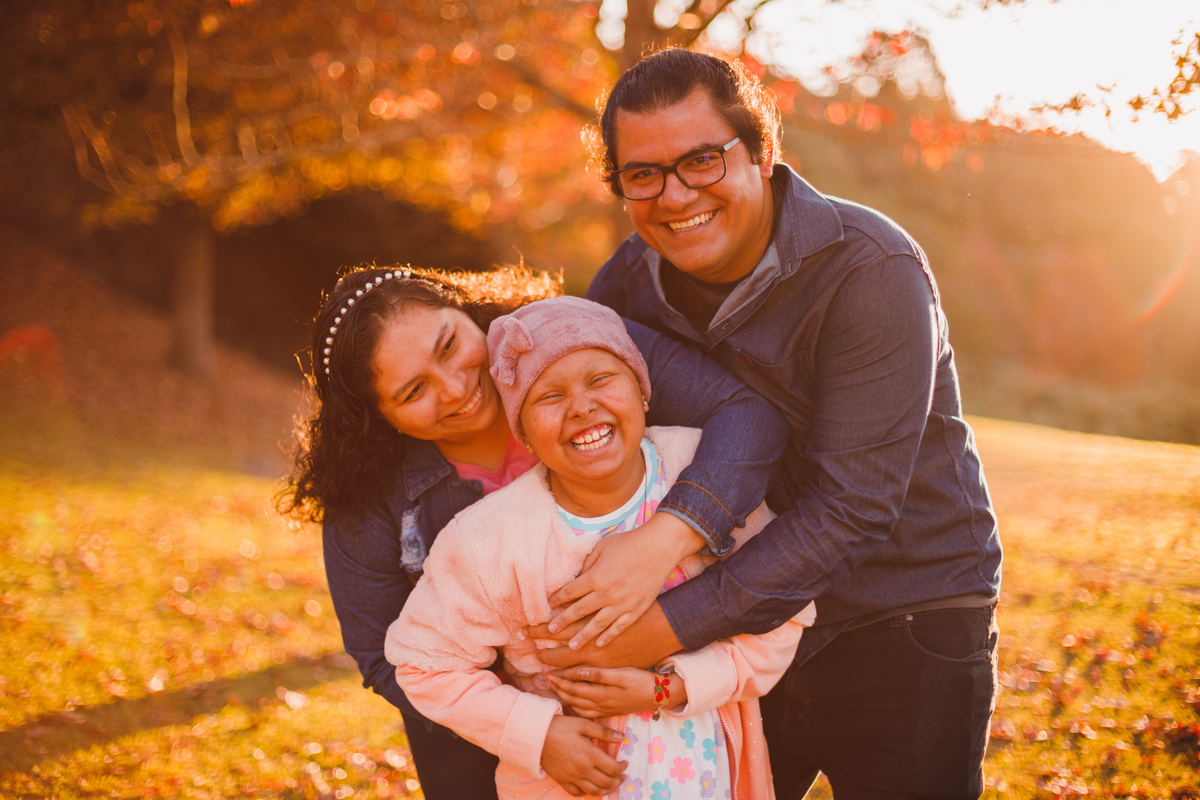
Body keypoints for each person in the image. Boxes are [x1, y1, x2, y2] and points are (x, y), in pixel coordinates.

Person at [531, 49, 1003, 799]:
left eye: (703, 160)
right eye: (642, 174)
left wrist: (647, 633)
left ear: (763, 151)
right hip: (733, 631)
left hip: (903, 613)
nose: (675, 193)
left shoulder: (869, 268)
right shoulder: (623, 287)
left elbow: (851, 510)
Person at [279, 264, 791, 798]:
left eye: (450, 345)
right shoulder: (375, 500)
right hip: (489, 743)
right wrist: (535, 729)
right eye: (413, 392)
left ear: (466, 310)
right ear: (379, 418)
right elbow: (389, 656)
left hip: (699, 735)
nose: (456, 389)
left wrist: (670, 536)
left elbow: (747, 418)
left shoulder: (563, 345)